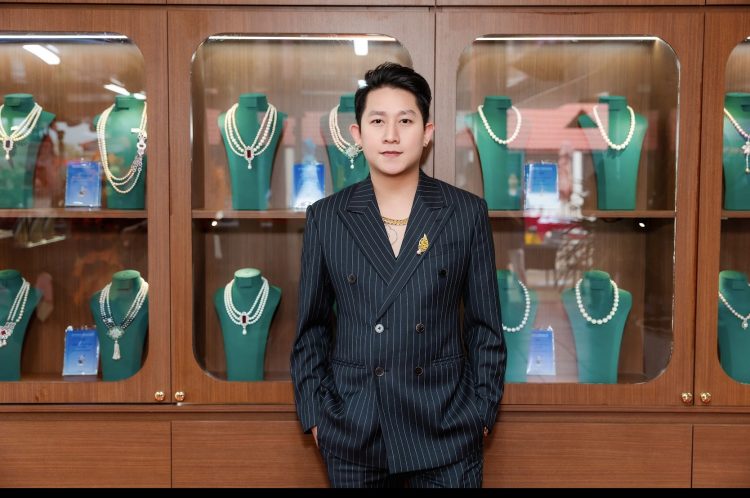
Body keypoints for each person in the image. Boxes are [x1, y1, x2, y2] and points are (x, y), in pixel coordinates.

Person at [290, 62, 506, 488]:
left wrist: (481, 410)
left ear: (427, 133)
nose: (391, 135)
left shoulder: (464, 212)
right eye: (378, 121)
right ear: (357, 134)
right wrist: (316, 415)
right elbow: (311, 329)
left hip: (445, 429)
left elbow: (485, 327)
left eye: (405, 121)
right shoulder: (327, 217)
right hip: (355, 432)